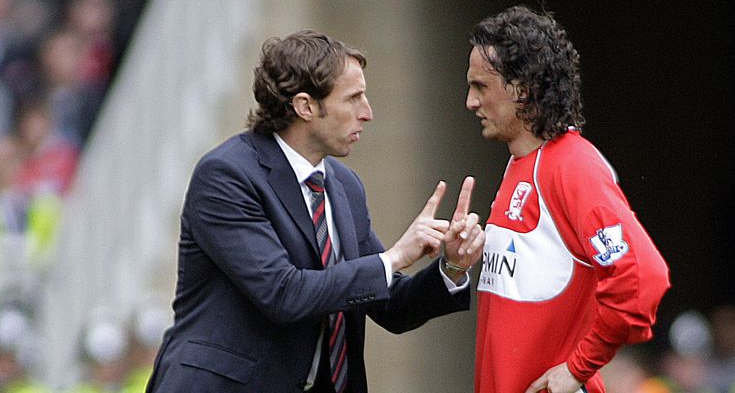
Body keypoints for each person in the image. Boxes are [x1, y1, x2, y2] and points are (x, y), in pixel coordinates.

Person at [146, 30, 484, 392]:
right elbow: (283, 293)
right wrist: (395, 257)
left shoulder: (345, 186)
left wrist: (451, 266)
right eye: (353, 99)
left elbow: (391, 305)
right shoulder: (227, 175)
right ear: (305, 106)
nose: (367, 113)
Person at [464, 5, 671, 393]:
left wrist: (579, 368)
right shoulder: (519, 164)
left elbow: (643, 277)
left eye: (480, 87)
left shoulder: (571, 165)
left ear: (520, 88)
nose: (470, 102)